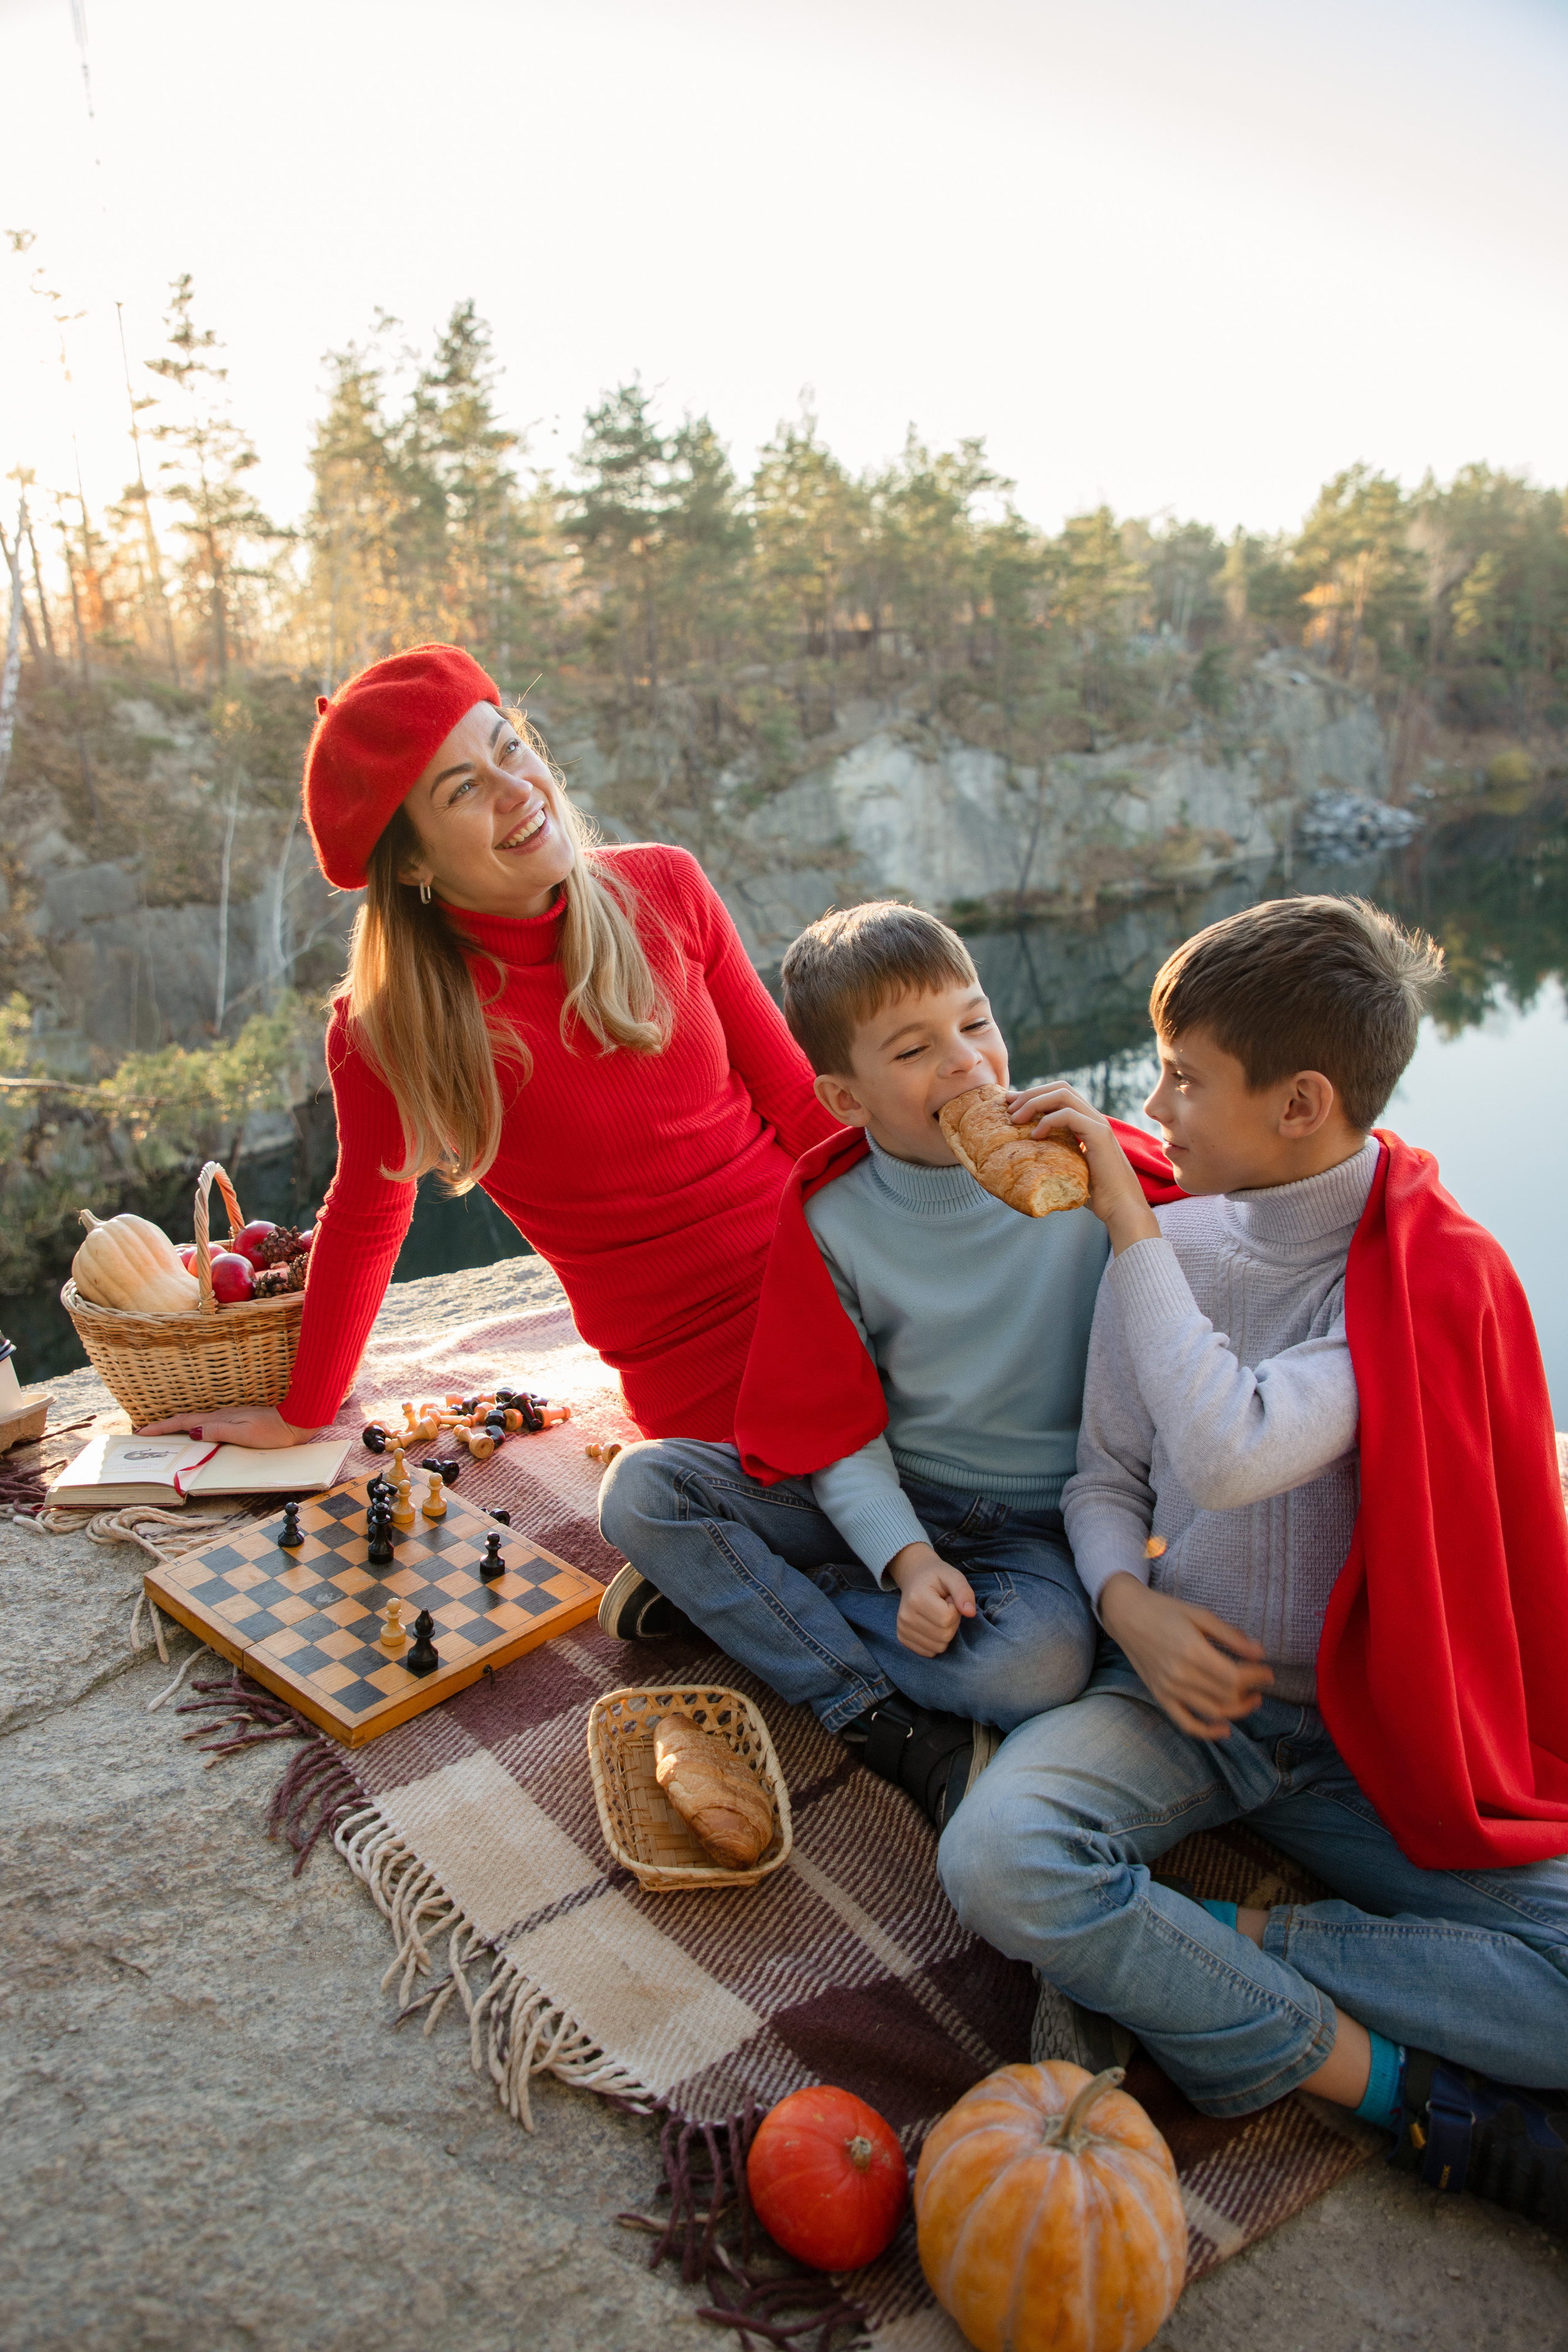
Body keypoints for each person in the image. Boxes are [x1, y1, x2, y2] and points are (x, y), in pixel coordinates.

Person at [937, 894, 1568, 2231]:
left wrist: (1128, 1227)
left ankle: (1216, 1948)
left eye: (1184, 1078)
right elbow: (1105, 1480)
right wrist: (1126, 1605)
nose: (1151, 1107)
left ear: (1300, 1104)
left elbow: (1232, 1450)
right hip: (1182, 1705)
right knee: (995, 1860)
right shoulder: (1178, 1245)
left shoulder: (1414, 1277)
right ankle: (1392, 2084)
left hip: (1370, 1729)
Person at [145, 643, 835, 1450]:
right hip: (697, 1372)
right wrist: (302, 1415)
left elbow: (800, 1105)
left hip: (846, 1271)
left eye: (508, 747)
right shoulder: (390, 1028)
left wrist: (938, 1227)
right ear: (412, 861)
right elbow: (368, 1216)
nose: (518, 789)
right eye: (464, 788)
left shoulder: (667, 887)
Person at [598, 901, 1174, 1831]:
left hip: (1040, 1531)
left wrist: (1124, 1202)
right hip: (890, 1491)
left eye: (977, 1022)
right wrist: (906, 1562)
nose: (966, 1062)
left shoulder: (1094, 1174)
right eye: (913, 1050)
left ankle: (741, 1597)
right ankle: (857, 1698)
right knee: (642, 1489)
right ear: (845, 1099)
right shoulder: (837, 1218)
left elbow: (1193, 1304)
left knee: (1036, 1668)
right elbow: (835, 1426)